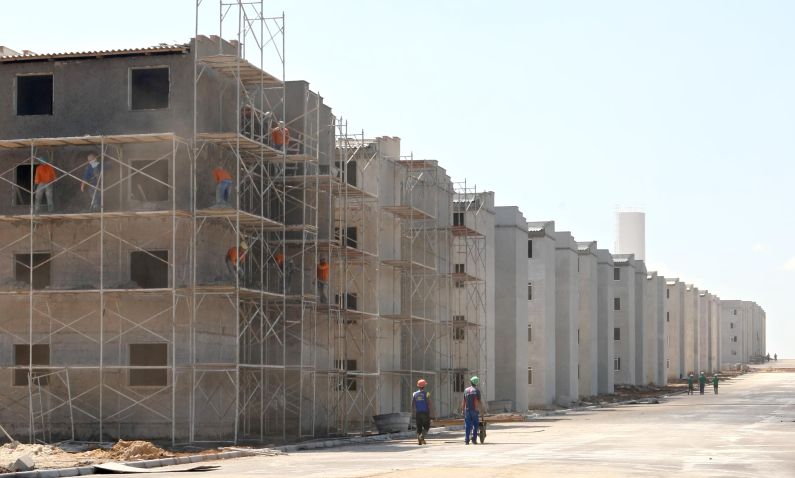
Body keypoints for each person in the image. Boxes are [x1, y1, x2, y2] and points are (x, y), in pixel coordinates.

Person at [461, 376, 485, 445]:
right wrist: (482, 411)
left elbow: (464, 401)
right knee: (475, 425)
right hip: (474, 410)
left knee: (467, 425)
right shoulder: (477, 391)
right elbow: (479, 402)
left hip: (467, 410)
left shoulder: (466, 390)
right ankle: (474, 440)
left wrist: (462, 410)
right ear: (476, 383)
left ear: (471, 382)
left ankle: (467, 440)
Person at [411, 379, 433, 446]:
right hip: (425, 413)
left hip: (418, 413)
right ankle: (422, 437)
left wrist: (413, 411)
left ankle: (419, 441)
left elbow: (412, 404)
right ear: (424, 386)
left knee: (419, 427)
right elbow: (429, 403)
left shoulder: (414, 394)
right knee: (427, 426)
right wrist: (433, 412)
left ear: (418, 386)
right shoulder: (427, 393)